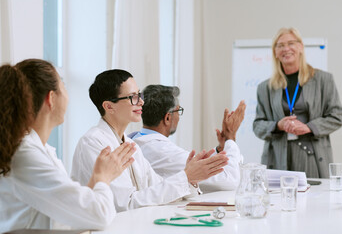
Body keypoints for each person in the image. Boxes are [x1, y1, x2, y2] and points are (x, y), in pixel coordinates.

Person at [0, 59, 135, 232]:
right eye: (63, 86)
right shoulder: (25, 154)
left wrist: (96, 178)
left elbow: (72, 210)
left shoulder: (41, 150)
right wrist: (103, 178)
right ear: (51, 98)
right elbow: (98, 216)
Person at [71, 69, 229, 211]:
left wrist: (191, 179)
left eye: (139, 95)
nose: (141, 102)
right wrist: (186, 176)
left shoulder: (131, 145)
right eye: (133, 97)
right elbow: (125, 204)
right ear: (109, 106)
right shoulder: (94, 143)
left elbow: (157, 187)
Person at [253, 27, 342, 178]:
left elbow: (336, 117)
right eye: (280, 45)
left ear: (300, 47)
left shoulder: (323, 80)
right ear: (275, 52)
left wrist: (308, 127)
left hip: (313, 157)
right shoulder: (265, 88)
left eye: (291, 43)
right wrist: (277, 125)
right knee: (279, 199)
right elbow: (257, 126)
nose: (286, 49)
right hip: (278, 158)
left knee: (314, 199)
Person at [131, 85, 246, 192]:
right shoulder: (163, 151)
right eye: (178, 111)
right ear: (167, 118)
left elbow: (200, 166)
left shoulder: (137, 140)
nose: (179, 118)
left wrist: (221, 149)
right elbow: (229, 181)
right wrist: (230, 138)